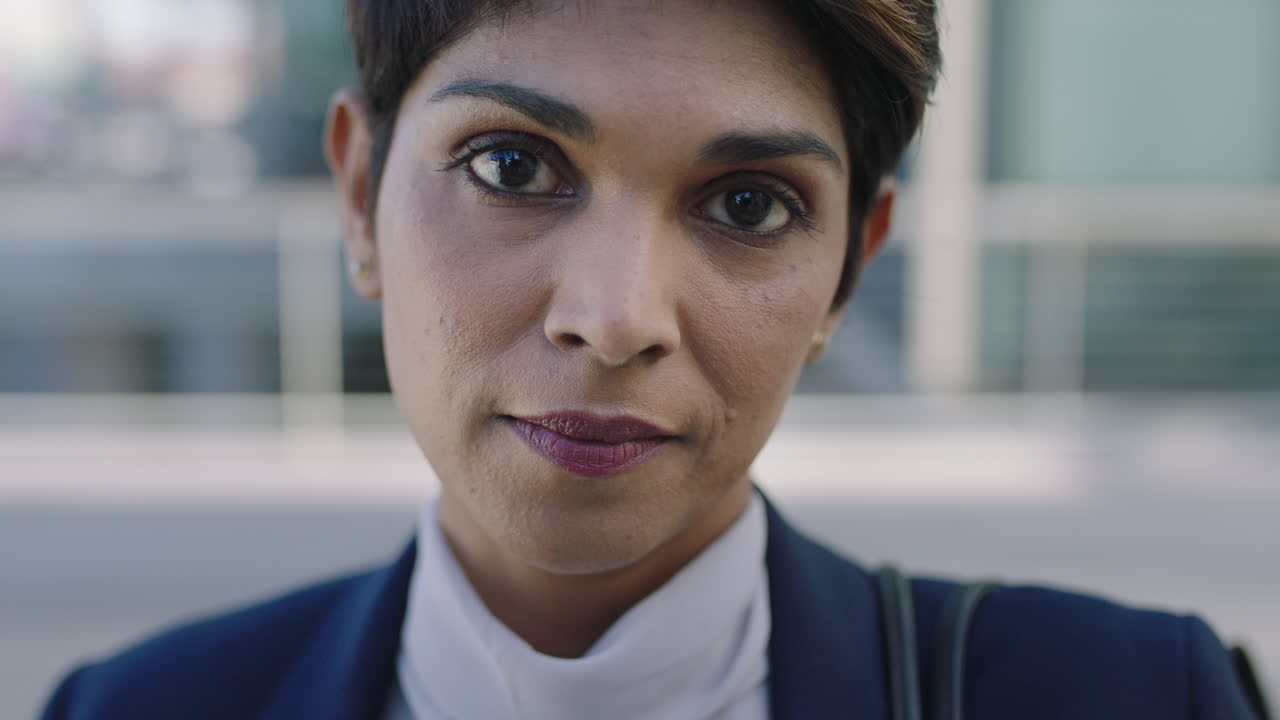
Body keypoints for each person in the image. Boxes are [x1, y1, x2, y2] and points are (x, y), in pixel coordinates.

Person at [40, 1, 1267, 718]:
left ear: (849, 265)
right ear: (359, 197)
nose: (615, 317)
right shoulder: (132, 710)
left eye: (746, 205)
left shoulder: (1130, 697)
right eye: (510, 167)